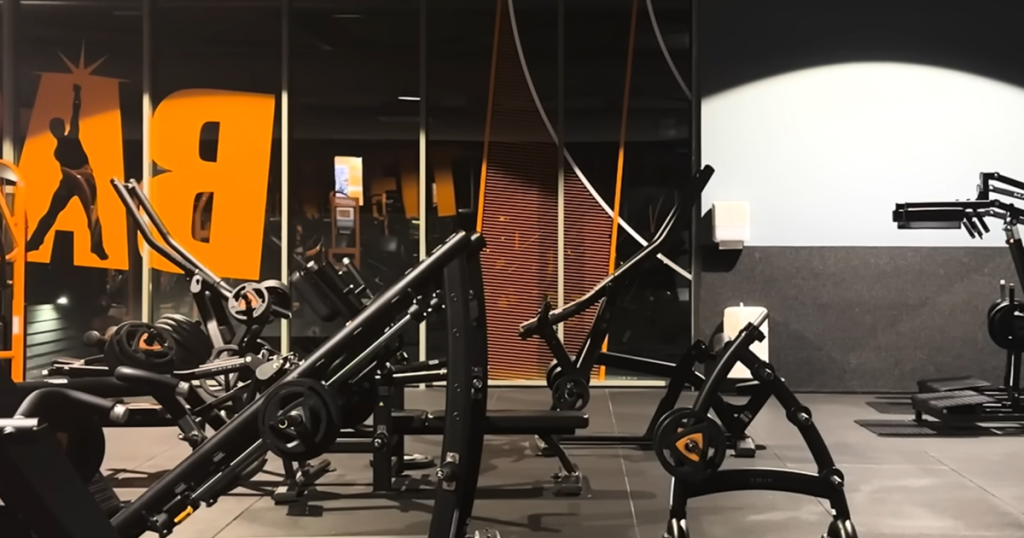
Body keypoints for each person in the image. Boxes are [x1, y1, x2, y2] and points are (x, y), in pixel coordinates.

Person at [26, 83, 108, 261]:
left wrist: (77, 93)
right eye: (53, 128)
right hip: (68, 181)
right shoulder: (57, 146)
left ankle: (97, 247)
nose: (56, 130)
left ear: (63, 127)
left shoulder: (72, 136)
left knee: (92, 215)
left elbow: (76, 112)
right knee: (52, 212)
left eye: (58, 127)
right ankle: (34, 242)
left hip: (84, 179)